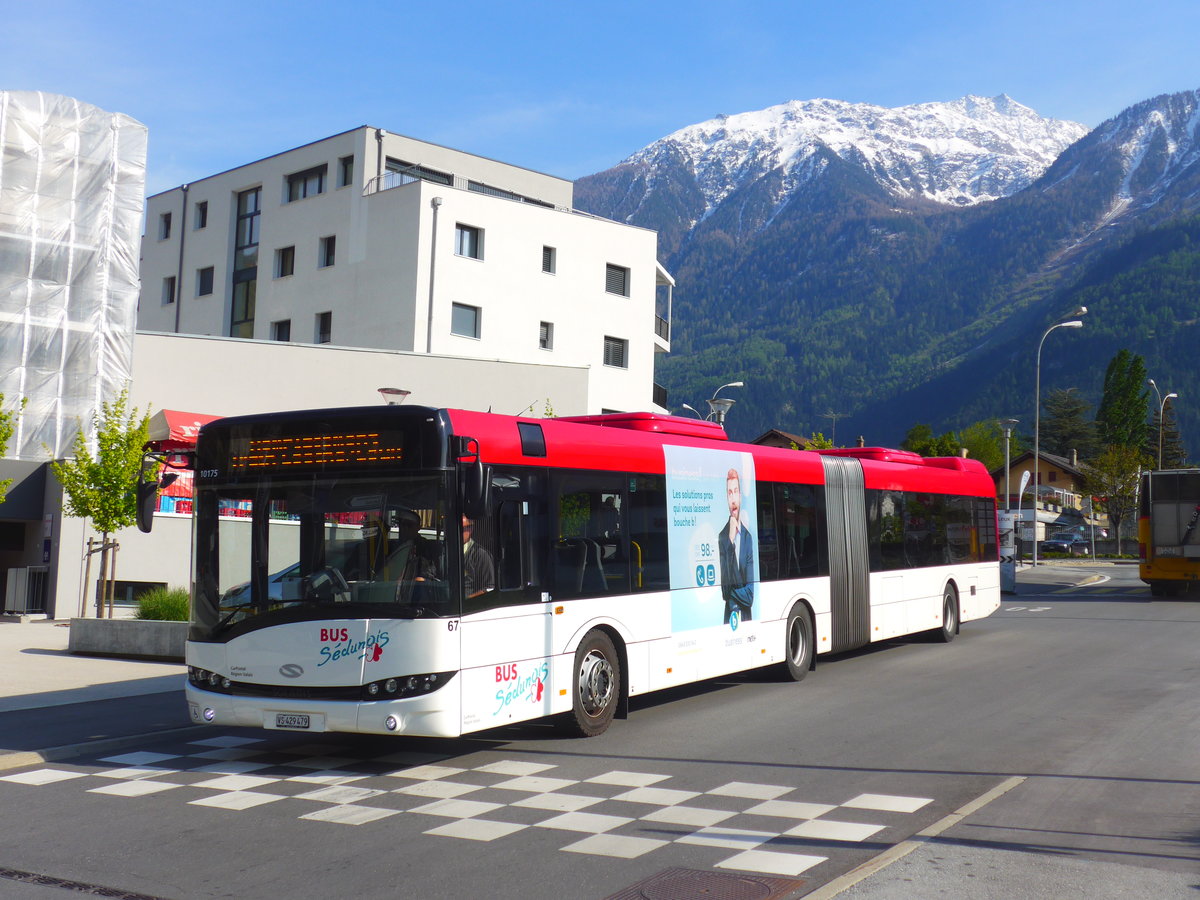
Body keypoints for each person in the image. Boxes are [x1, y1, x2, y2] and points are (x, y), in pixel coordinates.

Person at [717, 467, 755, 625]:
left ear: (740, 496)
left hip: (746, 617)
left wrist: (733, 591)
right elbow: (725, 592)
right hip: (730, 615)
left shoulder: (748, 537)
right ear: (727, 497)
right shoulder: (723, 537)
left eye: (735, 491)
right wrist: (730, 542)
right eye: (729, 493)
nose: (733, 498)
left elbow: (750, 596)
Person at [462, 516, 494, 600]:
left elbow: (489, 588)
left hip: (470, 609)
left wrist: (467, 600)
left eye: (462, 529)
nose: (457, 532)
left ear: (470, 529)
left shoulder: (481, 555)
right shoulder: (445, 552)